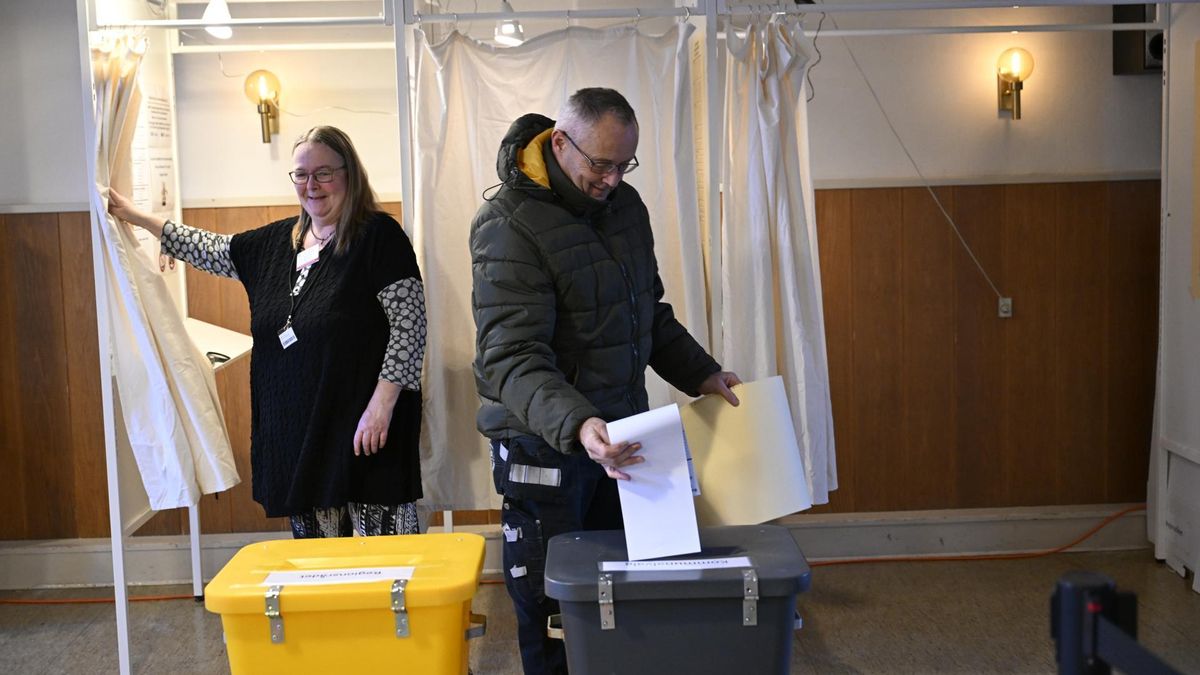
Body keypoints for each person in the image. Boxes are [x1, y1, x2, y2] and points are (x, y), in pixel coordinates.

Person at [470, 88, 742, 675]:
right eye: (601, 163)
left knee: (623, 592)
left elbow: (648, 311)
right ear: (561, 144)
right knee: (554, 607)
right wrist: (578, 423)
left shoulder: (626, 208)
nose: (613, 179)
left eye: (624, 165)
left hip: (619, 438)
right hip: (543, 443)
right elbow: (511, 355)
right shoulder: (507, 225)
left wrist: (702, 372)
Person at [108, 125, 427, 538]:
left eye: (324, 173)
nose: (311, 185)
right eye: (301, 174)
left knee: (381, 563)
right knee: (317, 566)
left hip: (364, 431)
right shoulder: (278, 242)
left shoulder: (379, 237)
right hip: (300, 434)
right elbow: (212, 249)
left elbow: (410, 325)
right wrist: (136, 217)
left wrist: (381, 407)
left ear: (350, 174)